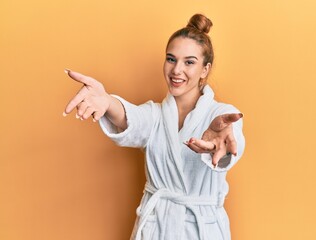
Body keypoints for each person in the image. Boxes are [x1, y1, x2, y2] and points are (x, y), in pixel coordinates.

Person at [63, 13, 245, 240]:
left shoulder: (221, 115)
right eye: (171, 59)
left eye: (189, 62)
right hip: (156, 227)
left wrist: (222, 148)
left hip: (202, 230)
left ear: (205, 70)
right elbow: (131, 118)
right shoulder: (156, 115)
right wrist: (107, 101)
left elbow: (231, 143)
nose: (176, 70)